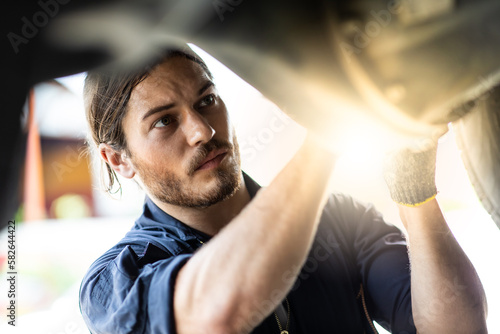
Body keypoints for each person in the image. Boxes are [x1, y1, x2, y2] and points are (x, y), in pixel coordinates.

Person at [79, 48, 487, 334]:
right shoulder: (116, 280)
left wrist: (413, 187)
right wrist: (329, 132)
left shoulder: (340, 219)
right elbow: (214, 318)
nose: (203, 130)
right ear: (119, 160)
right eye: (165, 122)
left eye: (207, 100)